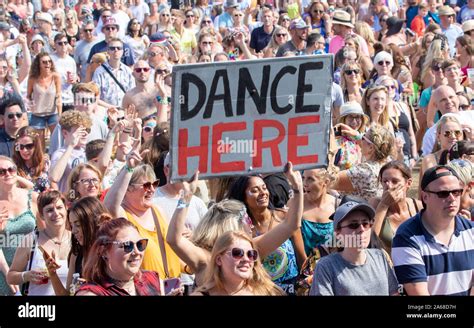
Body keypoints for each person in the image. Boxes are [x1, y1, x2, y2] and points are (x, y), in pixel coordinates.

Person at [104, 136, 182, 279]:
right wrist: (129, 168)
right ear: (127, 189)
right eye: (146, 185)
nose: (152, 189)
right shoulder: (123, 217)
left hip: (173, 288)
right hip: (143, 289)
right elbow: (109, 206)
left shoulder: (157, 211)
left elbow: (172, 251)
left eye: (155, 184)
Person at [392, 165, 474, 295]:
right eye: (443, 193)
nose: (452, 198)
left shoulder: (471, 231)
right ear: (424, 197)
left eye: (456, 192)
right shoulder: (406, 237)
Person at [226, 166, 304, 294]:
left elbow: (301, 258)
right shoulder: (241, 228)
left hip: (292, 289)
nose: (263, 193)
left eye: (264, 188)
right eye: (255, 190)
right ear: (243, 197)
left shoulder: (285, 218)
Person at [309, 201, 399, 295]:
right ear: (338, 233)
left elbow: (394, 293)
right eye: (353, 225)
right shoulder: (326, 266)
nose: (361, 229)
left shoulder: (380, 256)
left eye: (365, 224)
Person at [76, 218, 163, 296]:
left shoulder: (152, 279)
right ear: (104, 251)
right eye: (128, 245)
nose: (137, 252)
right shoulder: (91, 293)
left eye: (140, 244)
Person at [7, 190, 71, 295]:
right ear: (41, 216)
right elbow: (11, 277)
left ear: (66, 209)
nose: (56, 213)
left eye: (59, 207)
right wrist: (26, 275)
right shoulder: (31, 240)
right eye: (50, 210)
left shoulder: (76, 239)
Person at [193, 231, 285, 296]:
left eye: (251, 254)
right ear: (219, 260)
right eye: (237, 253)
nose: (246, 259)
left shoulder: (270, 292)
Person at [0, 156, 38, 295]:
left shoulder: (32, 197)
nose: (7, 174)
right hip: (3, 271)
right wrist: (7, 273)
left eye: (11, 169)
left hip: (31, 269)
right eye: (2, 171)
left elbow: (45, 231)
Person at [369, 161, 423, 253]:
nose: (389, 186)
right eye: (385, 181)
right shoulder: (375, 204)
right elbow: (370, 243)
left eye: (395, 181)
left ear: (408, 183)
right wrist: (383, 205)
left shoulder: (418, 206)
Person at [331, 125, 395, 202]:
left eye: (363, 137)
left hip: (356, 213)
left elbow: (326, 180)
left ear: (371, 148)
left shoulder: (364, 171)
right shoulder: (388, 164)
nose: (361, 140)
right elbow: (377, 144)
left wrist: (332, 149)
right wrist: (357, 135)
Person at [49, 110, 91, 192]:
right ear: (65, 133)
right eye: (80, 131)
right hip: (68, 199)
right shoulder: (59, 154)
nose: (85, 134)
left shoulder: (86, 152)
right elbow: (54, 178)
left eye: (87, 130)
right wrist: (71, 145)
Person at [301, 168, 339, 257]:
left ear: (325, 182)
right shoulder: (295, 203)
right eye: (303, 178)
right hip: (303, 267)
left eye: (310, 179)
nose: (305, 184)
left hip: (331, 268)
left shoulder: (337, 205)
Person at [27, 52, 62, 146]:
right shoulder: (32, 78)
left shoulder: (55, 76)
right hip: (37, 114)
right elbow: (28, 95)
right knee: (39, 144)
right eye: (44, 62)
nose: (48, 64)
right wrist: (31, 107)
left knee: (56, 142)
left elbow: (58, 95)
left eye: (49, 61)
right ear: (39, 64)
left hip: (53, 113)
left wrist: (60, 114)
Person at [92, 38, 135, 107]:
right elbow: (95, 96)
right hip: (105, 112)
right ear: (108, 51)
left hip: (124, 112)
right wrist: (112, 108)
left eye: (119, 48)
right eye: (112, 48)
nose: (116, 50)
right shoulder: (99, 72)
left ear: (123, 51)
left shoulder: (128, 71)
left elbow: (133, 94)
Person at [12, 126, 50, 193]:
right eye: (21, 146)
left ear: (36, 145)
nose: (24, 150)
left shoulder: (46, 163)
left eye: (29, 146)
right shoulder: (12, 165)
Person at [334, 101, 369, 170]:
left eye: (358, 117)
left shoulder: (365, 138)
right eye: (350, 117)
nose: (354, 121)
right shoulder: (337, 141)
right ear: (343, 120)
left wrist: (357, 136)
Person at [0, 93, 27, 158]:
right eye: (11, 116)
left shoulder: (30, 138)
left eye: (18, 115)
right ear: (2, 118)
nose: (15, 118)